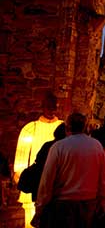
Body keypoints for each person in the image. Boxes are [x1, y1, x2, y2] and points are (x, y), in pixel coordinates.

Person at [34, 112, 105, 228]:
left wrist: (40, 207)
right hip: (89, 203)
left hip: (63, 205)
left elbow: (47, 180)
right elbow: (103, 177)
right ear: (84, 126)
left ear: (67, 127)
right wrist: (103, 199)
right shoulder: (96, 146)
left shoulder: (59, 147)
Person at [13, 94, 63, 228]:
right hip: (36, 179)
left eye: (53, 107)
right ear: (43, 107)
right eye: (48, 107)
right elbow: (22, 154)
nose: (51, 111)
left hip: (57, 182)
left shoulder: (62, 127)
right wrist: (21, 175)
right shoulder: (31, 128)